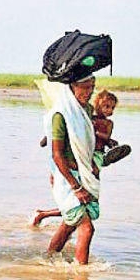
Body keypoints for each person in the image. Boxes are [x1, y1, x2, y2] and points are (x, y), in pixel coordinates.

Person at [33, 88, 130, 226]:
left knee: (85, 198)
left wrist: (99, 134)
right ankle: (44, 214)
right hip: (84, 156)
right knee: (78, 202)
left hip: (96, 154)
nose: (110, 111)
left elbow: (106, 136)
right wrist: (47, 138)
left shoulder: (107, 123)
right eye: (106, 106)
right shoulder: (87, 117)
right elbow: (69, 131)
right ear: (97, 104)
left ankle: (44, 214)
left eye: (112, 108)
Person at [43, 74, 101, 265]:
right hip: (66, 177)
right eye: (85, 87)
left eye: (92, 87)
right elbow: (57, 155)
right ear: (72, 87)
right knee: (87, 228)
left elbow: (87, 140)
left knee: (69, 224)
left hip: (84, 172)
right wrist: (76, 187)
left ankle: (48, 258)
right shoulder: (60, 115)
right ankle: (81, 274)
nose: (89, 92)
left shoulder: (87, 110)